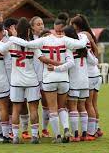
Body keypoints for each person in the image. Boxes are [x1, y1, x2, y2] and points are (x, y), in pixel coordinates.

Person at [8, 14, 88, 143]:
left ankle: (56, 136)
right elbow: (80, 45)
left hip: (48, 79)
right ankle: (66, 129)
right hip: (63, 79)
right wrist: (84, 36)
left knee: (51, 108)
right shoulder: (65, 41)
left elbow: (25, 43)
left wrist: (12, 36)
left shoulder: (42, 41)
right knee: (62, 107)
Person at [70, 14, 101, 140]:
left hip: (88, 74)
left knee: (87, 104)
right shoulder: (89, 34)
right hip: (95, 73)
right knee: (93, 104)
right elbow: (97, 52)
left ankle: (91, 133)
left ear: (76, 25)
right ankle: (95, 129)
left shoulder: (80, 36)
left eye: (71, 24)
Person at [29, 16, 50, 137]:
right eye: (38, 24)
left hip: (45, 76)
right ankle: (32, 130)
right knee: (33, 105)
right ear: (32, 27)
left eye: (42, 23)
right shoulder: (29, 41)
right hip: (32, 77)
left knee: (46, 104)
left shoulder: (48, 39)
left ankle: (45, 129)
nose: (41, 26)